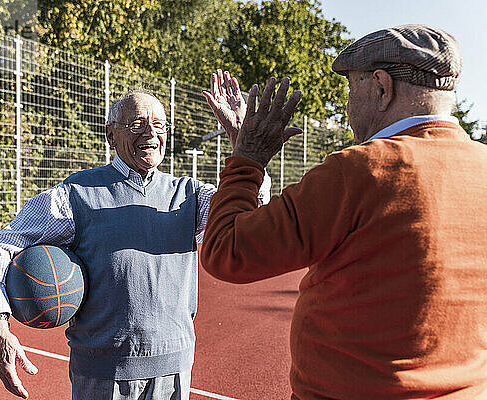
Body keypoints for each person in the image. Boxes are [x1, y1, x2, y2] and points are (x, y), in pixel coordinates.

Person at [200, 25, 487, 399]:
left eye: (352, 87)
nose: (348, 105)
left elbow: (228, 251)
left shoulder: (360, 171)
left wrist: (247, 158)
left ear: (382, 87)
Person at [0, 87, 269, 400]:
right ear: (111, 135)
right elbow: (2, 246)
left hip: (175, 366)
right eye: (137, 124)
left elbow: (253, 212)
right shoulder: (75, 195)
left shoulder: (189, 196)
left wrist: (242, 142)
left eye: (159, 124)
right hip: (102, 372)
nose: (151, 133)